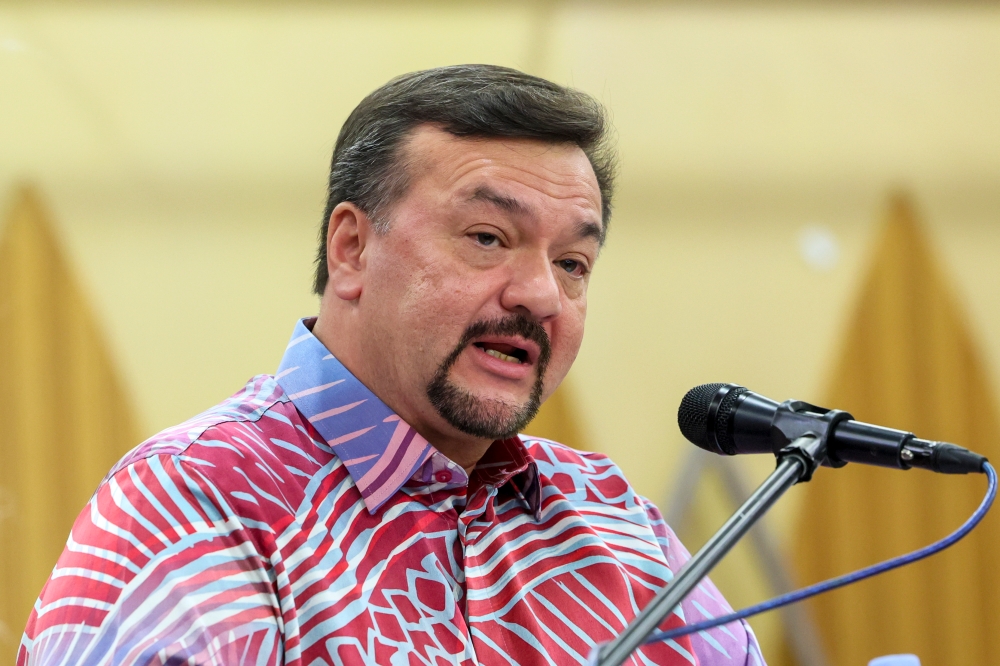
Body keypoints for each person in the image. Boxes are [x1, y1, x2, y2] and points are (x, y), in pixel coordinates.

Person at [19, 65, 764, 665]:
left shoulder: (614, 521)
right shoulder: (196, 506)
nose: (542, 295)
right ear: (352, 248)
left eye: (573, 262)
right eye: (486, 237)